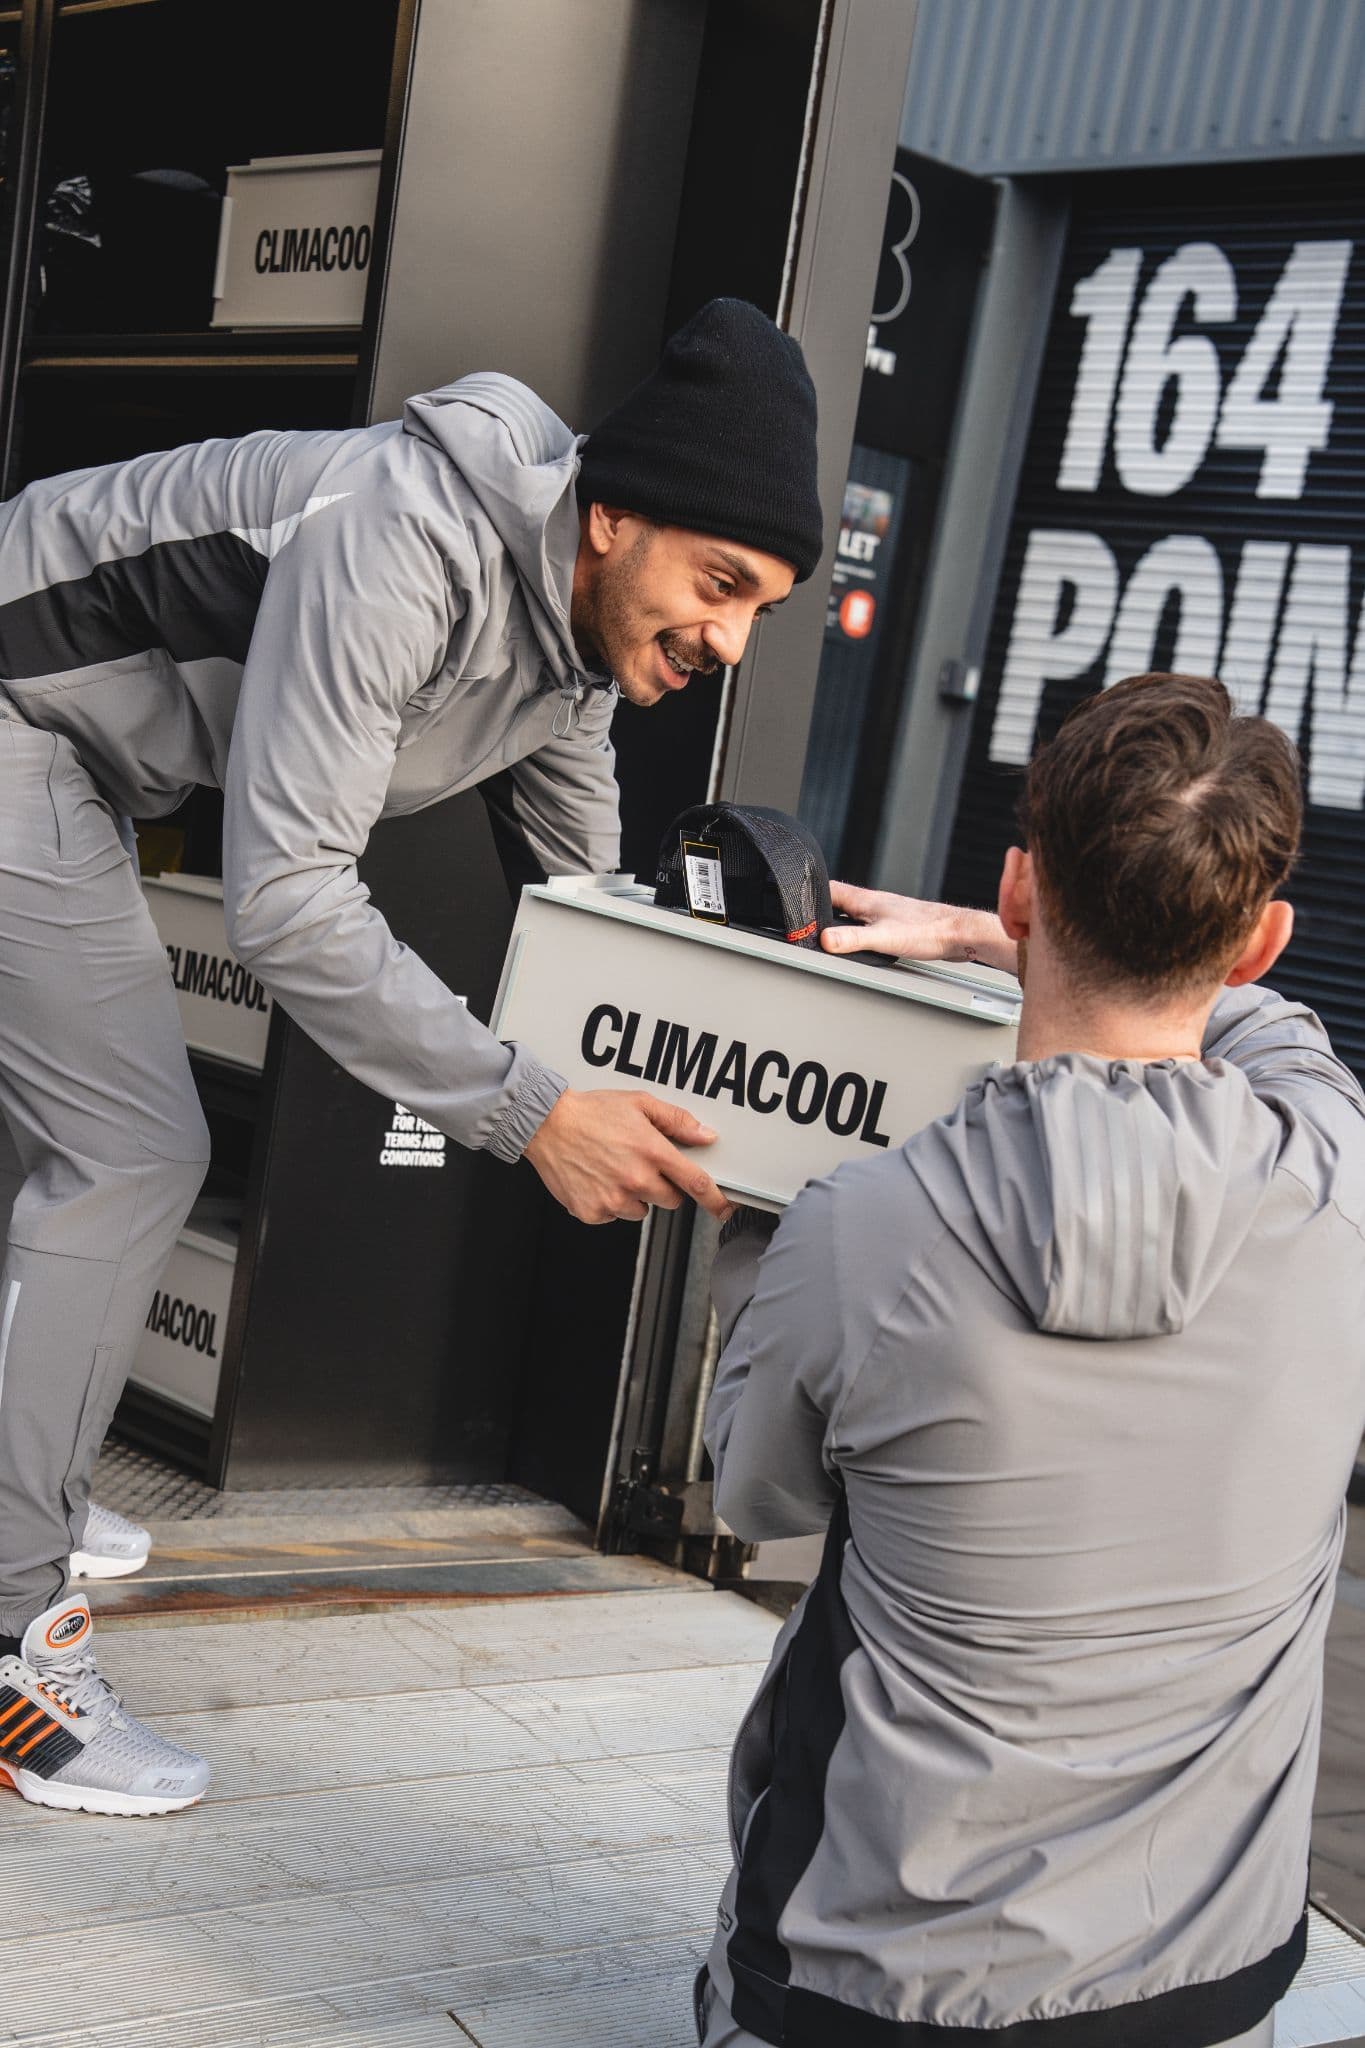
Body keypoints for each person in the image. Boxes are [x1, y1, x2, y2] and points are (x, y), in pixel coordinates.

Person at [0, 298, 822, 1815]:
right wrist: (526, 1115)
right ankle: (4, 1638)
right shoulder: (400, 537)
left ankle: (18, 1485)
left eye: (761, 610)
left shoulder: (575, 661)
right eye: (718, 585)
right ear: (611, 517)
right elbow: (289, 903)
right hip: (12, 710)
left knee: (80, 1138)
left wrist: (751, 1051)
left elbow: (587, 928)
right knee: (130, 1149)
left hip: (85, 757)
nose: (727, 639)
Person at [696, 672, 1365, 2048]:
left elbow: (748, 1497)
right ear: (1261, 936)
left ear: (1015, 886)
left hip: (868, 1994)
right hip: (1212, 1984)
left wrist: (754, 1246)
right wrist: (1045, 946)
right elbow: (1278, 1034)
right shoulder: (1339, 1176)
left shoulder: (858, 1232)